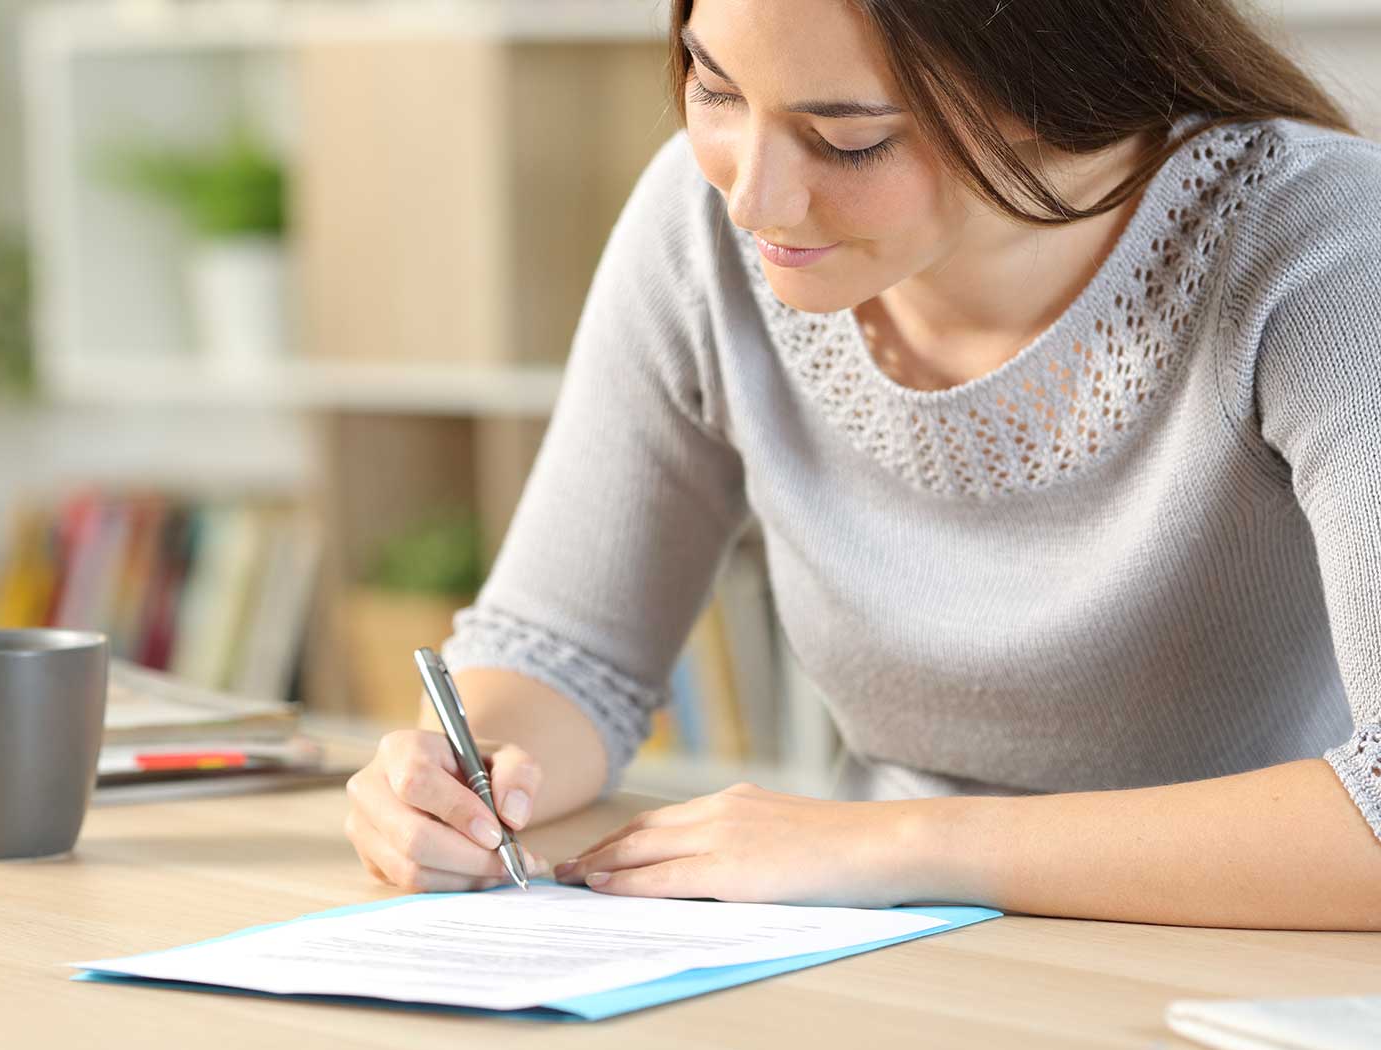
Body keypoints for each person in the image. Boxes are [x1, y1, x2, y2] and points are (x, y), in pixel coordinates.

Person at [342, 0, 1381, 929]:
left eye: (847, 140)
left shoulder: (1327, 248)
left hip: (1236, 970)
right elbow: (567, 653)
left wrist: (900, 845)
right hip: (870, 945)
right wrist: (465, 776)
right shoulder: (703, 227)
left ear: (1057, 91)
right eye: (712, 87)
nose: (754, 200)